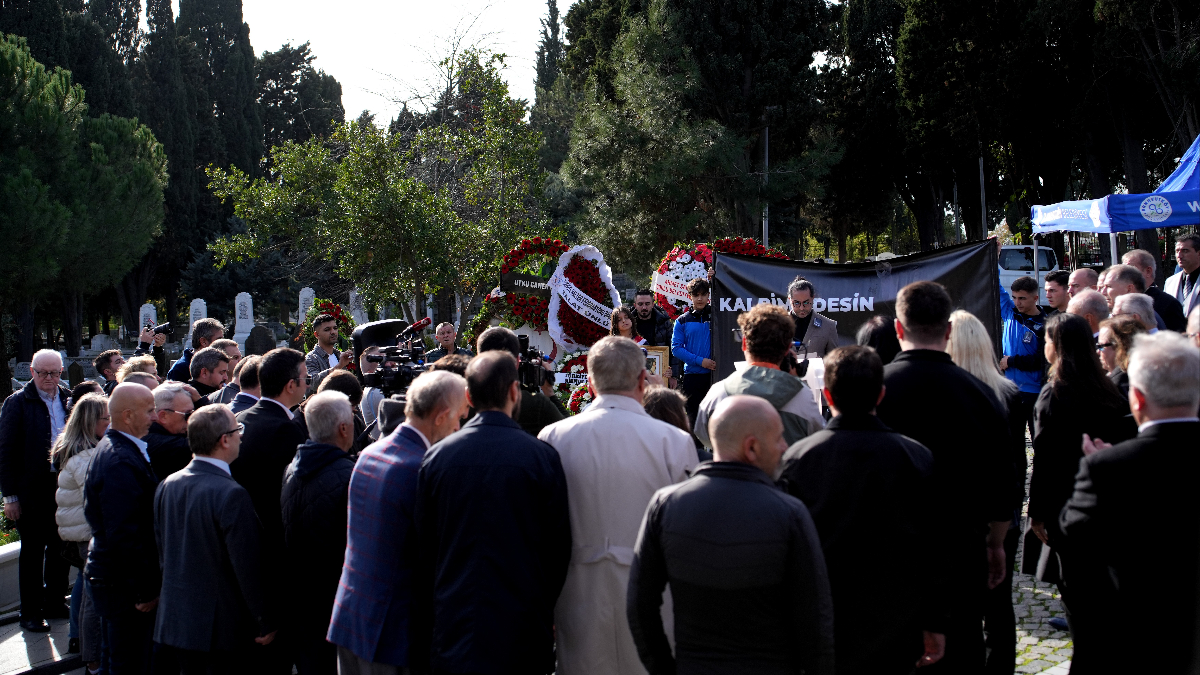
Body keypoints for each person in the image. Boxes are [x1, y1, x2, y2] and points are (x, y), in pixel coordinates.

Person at [627, 395, 834, 675]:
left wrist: (664, 668)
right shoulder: (789, 513)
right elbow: (815, 617)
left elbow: (640, 604)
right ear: (751, 447)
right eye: (778, 438)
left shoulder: (666, 505)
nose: (785, 447)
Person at [874, 281, 1013, 673]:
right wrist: (996, 543)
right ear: (948, 330)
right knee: (963, 652)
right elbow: (1002, 482)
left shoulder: (876, 390)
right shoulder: (983, 395)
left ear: (898, 329)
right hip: (961, 551)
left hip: (892, 556)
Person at [537, 337, 696, 674]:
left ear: (590, 383)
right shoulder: (674, 441)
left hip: (577, 593)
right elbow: (686, 531)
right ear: (641, 381)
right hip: (654, 595)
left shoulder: (552, 436)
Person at [779, 346, 941, 674]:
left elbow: (783, 549)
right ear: (880, 395)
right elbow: (935, 547)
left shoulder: (798, 459)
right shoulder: (915, 457)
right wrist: (935, 620)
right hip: (896, 617)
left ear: (827, 395)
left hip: (823, 618)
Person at [411, 351, 571, 675]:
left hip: (455, 621)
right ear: (514, 392)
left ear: (468, 397)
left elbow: (423, 549)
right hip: (523, 624)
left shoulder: (437, 458)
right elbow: (558, 550)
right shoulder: (541, 458)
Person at [1060, 331, 1200, 673]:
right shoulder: (1108, 467)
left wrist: (1101, 472)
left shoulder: (1106, 469)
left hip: (1137, 642)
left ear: (1136, 399)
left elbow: (1073, 538)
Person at [328, 371, 468, 675]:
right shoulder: (421, 469)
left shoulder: (370, 453)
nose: (459, 427)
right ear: (441, 416)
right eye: (459, 417)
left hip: (351, 619)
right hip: (392, 637)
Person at [1028, 313, 1136, 669]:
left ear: (1057, 347)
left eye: (1047, 341)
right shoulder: (1108, 389)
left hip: (1067, 507)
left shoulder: (1055, 393)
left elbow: (1044, 458)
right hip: (1106, 503)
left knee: (1078, 603)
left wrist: (1037, 513)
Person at [154, 404, 278, 672]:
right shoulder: (231, 494)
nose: (241, 436)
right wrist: (264, 620)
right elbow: (247, 566)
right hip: (221, 631)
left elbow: (165, 555)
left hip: (178, 625)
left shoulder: (168, 484)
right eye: (237, 430)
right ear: (224, 440)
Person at [946, 310, 1021, 673]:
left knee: (962, 609)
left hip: (965, 517)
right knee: (999, 604)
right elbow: (1014, 465)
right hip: (1002, 512)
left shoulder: (950, 394)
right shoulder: (1007, 393)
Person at [232, 347, 308, 655]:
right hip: (274, 554)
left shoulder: (240, 419)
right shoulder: (286, 430)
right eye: (305, 378)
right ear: (291, 385)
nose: (307, 384)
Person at [83, 382, 160, 673]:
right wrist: (143, 591)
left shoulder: (116, 449)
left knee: (116, 658)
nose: (155, 417)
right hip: (122, 587)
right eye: (149, 411)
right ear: (127, 416)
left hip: (115, 580)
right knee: (127, 663)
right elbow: (124, 534)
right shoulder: (119, 460)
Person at [280, 391, 356, 675]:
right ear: (343, 428)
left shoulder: (292, 469)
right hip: (333, 602)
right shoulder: (348, 476)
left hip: (300, 598)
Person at [0, 349, 72, 632]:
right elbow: (6, 452)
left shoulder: (68, 398)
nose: (49, 378)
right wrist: (10, 497)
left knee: (61, 547)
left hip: (62, 485)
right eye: (43, 373)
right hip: (31, 490)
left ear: (61, 372)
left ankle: (54, 602)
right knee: (32, 552)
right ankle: (30, 612)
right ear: (32, 372)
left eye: (54, 373)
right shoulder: (18, 402)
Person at [694, 303, 824, 449]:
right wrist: (793, 381)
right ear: (788, 348)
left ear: (744, 343)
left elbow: (705, 437)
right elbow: (816, 440)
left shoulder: (718, 394)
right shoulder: (803, 397)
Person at [53, 392, 107, 670]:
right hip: (88, 534)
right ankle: (93, 660)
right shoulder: (87, 457)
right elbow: (98, 498)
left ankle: (86, 650)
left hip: (81, 531)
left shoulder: (77, 450)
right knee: (92, 600)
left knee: (85, 593)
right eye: (106, 419)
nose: (111, 423)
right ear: (90, 422)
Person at [475, 326, 564, 436]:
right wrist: (549, 392)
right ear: (517, 361)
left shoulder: (462, 403)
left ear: (478, 358)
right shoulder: (536, 405)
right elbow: (568, 433)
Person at [999, 273, 1047, 466]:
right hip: (1010, 389)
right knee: (1013, 444)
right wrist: (995, 259)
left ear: (1035, 298)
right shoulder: (1010, 313)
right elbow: (996, 287)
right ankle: (1017, 481)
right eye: (1014, 298)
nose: (1017, 303)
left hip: (1033, 392)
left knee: (1040, 442)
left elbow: (1041, 360)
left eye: (1022, 298)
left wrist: (1012, 361)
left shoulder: (1044, 324)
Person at [672, 277, 715, 426]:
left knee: (715, 421)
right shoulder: (682, 320)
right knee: (694, 422)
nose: (700, 298)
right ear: (690, 296)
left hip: (715, 376)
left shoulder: (717, 316)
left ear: (708, 295)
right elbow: (676, 349)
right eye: (696, 295)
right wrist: (700, 361)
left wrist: (713, 275)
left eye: (703, 294)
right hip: (693, 378)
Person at [145, 382, 200, 480]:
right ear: (163, 416)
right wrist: (201, 402)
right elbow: (211, 442)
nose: (191, 420)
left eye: (194, 413)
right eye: (187, 414)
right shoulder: (162, 445)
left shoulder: (150, 433)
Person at [1121, 249, 1186, 331]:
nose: (1124, 276)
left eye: (1130, 270)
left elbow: (1176, 336)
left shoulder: (1168, 304)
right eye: (1123, 271)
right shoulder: (1124, 301)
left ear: (1148, 271)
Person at [633, 289, 679, 386]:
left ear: (653, 304)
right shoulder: (628, 322)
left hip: (659, 374)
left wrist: (674, 375)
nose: (644, 307)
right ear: (635, 305)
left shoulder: (664, 322)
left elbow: (673, 348)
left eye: (647, 304)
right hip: (634, 375)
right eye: (640, 304)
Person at [787, 276, 839, 359]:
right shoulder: (778, 325)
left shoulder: (828, 326)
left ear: (813, 298)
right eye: (796, 303)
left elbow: (834, 361)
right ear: (789, 299)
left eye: (806, 303)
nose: (801, 308)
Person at [1103, 264, 1167, 330]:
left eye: (1108, 286)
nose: (1103, 292)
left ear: (1129, 289)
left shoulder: (1146, 321)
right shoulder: (1145, 315)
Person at [1097, 315, 1145, 397]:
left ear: (1120, 347)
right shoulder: (1152, 371)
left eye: (1101, 346)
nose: (1098, 351)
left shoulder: (1118, 386)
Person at [306, 314, 354, 392]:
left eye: (335, 328)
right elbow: (313, 383)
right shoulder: (311, 358)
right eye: (327, 329)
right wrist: (339, 366)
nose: (333, 332)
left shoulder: (340, 355)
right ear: (317, 335)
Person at [167, 318, 225, 382]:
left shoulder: (218, 364)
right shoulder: (180, 370)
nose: (222, 344)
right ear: (203, 342)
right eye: (218, 340)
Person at [1163, 233, 1200, 318]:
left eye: (1185, 251)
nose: (1179, 256)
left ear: (1199, 253)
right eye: (1177, 251)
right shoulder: (1170, 282)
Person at [204, 339, 244, 405]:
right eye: (235, 357)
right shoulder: (212, 394)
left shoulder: (244, 387)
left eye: (241, 357)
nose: (241, 361)